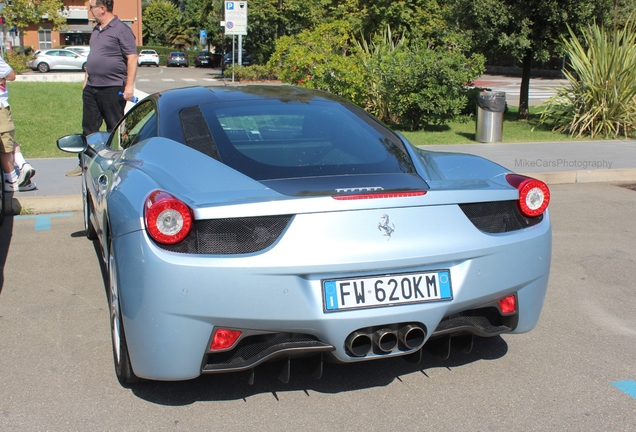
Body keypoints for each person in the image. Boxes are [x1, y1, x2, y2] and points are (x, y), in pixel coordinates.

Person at [66, 0, 137, 176]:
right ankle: (85, 164)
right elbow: (93, 56)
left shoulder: (121, 29)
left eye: (92, 7)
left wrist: (129, 85)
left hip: (112, 87)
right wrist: (86, 78)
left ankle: (118, 164)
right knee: (89, 128)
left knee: (114, 127)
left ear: (102, 8)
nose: (90, 10)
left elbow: (132, 57)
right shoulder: (96, 30)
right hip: (92, 87)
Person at [0, 56, 36, 192]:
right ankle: (12, 179)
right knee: (5, 146)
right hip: (1, 108)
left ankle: (23, 166)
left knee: (8, 142)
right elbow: (11, 75)